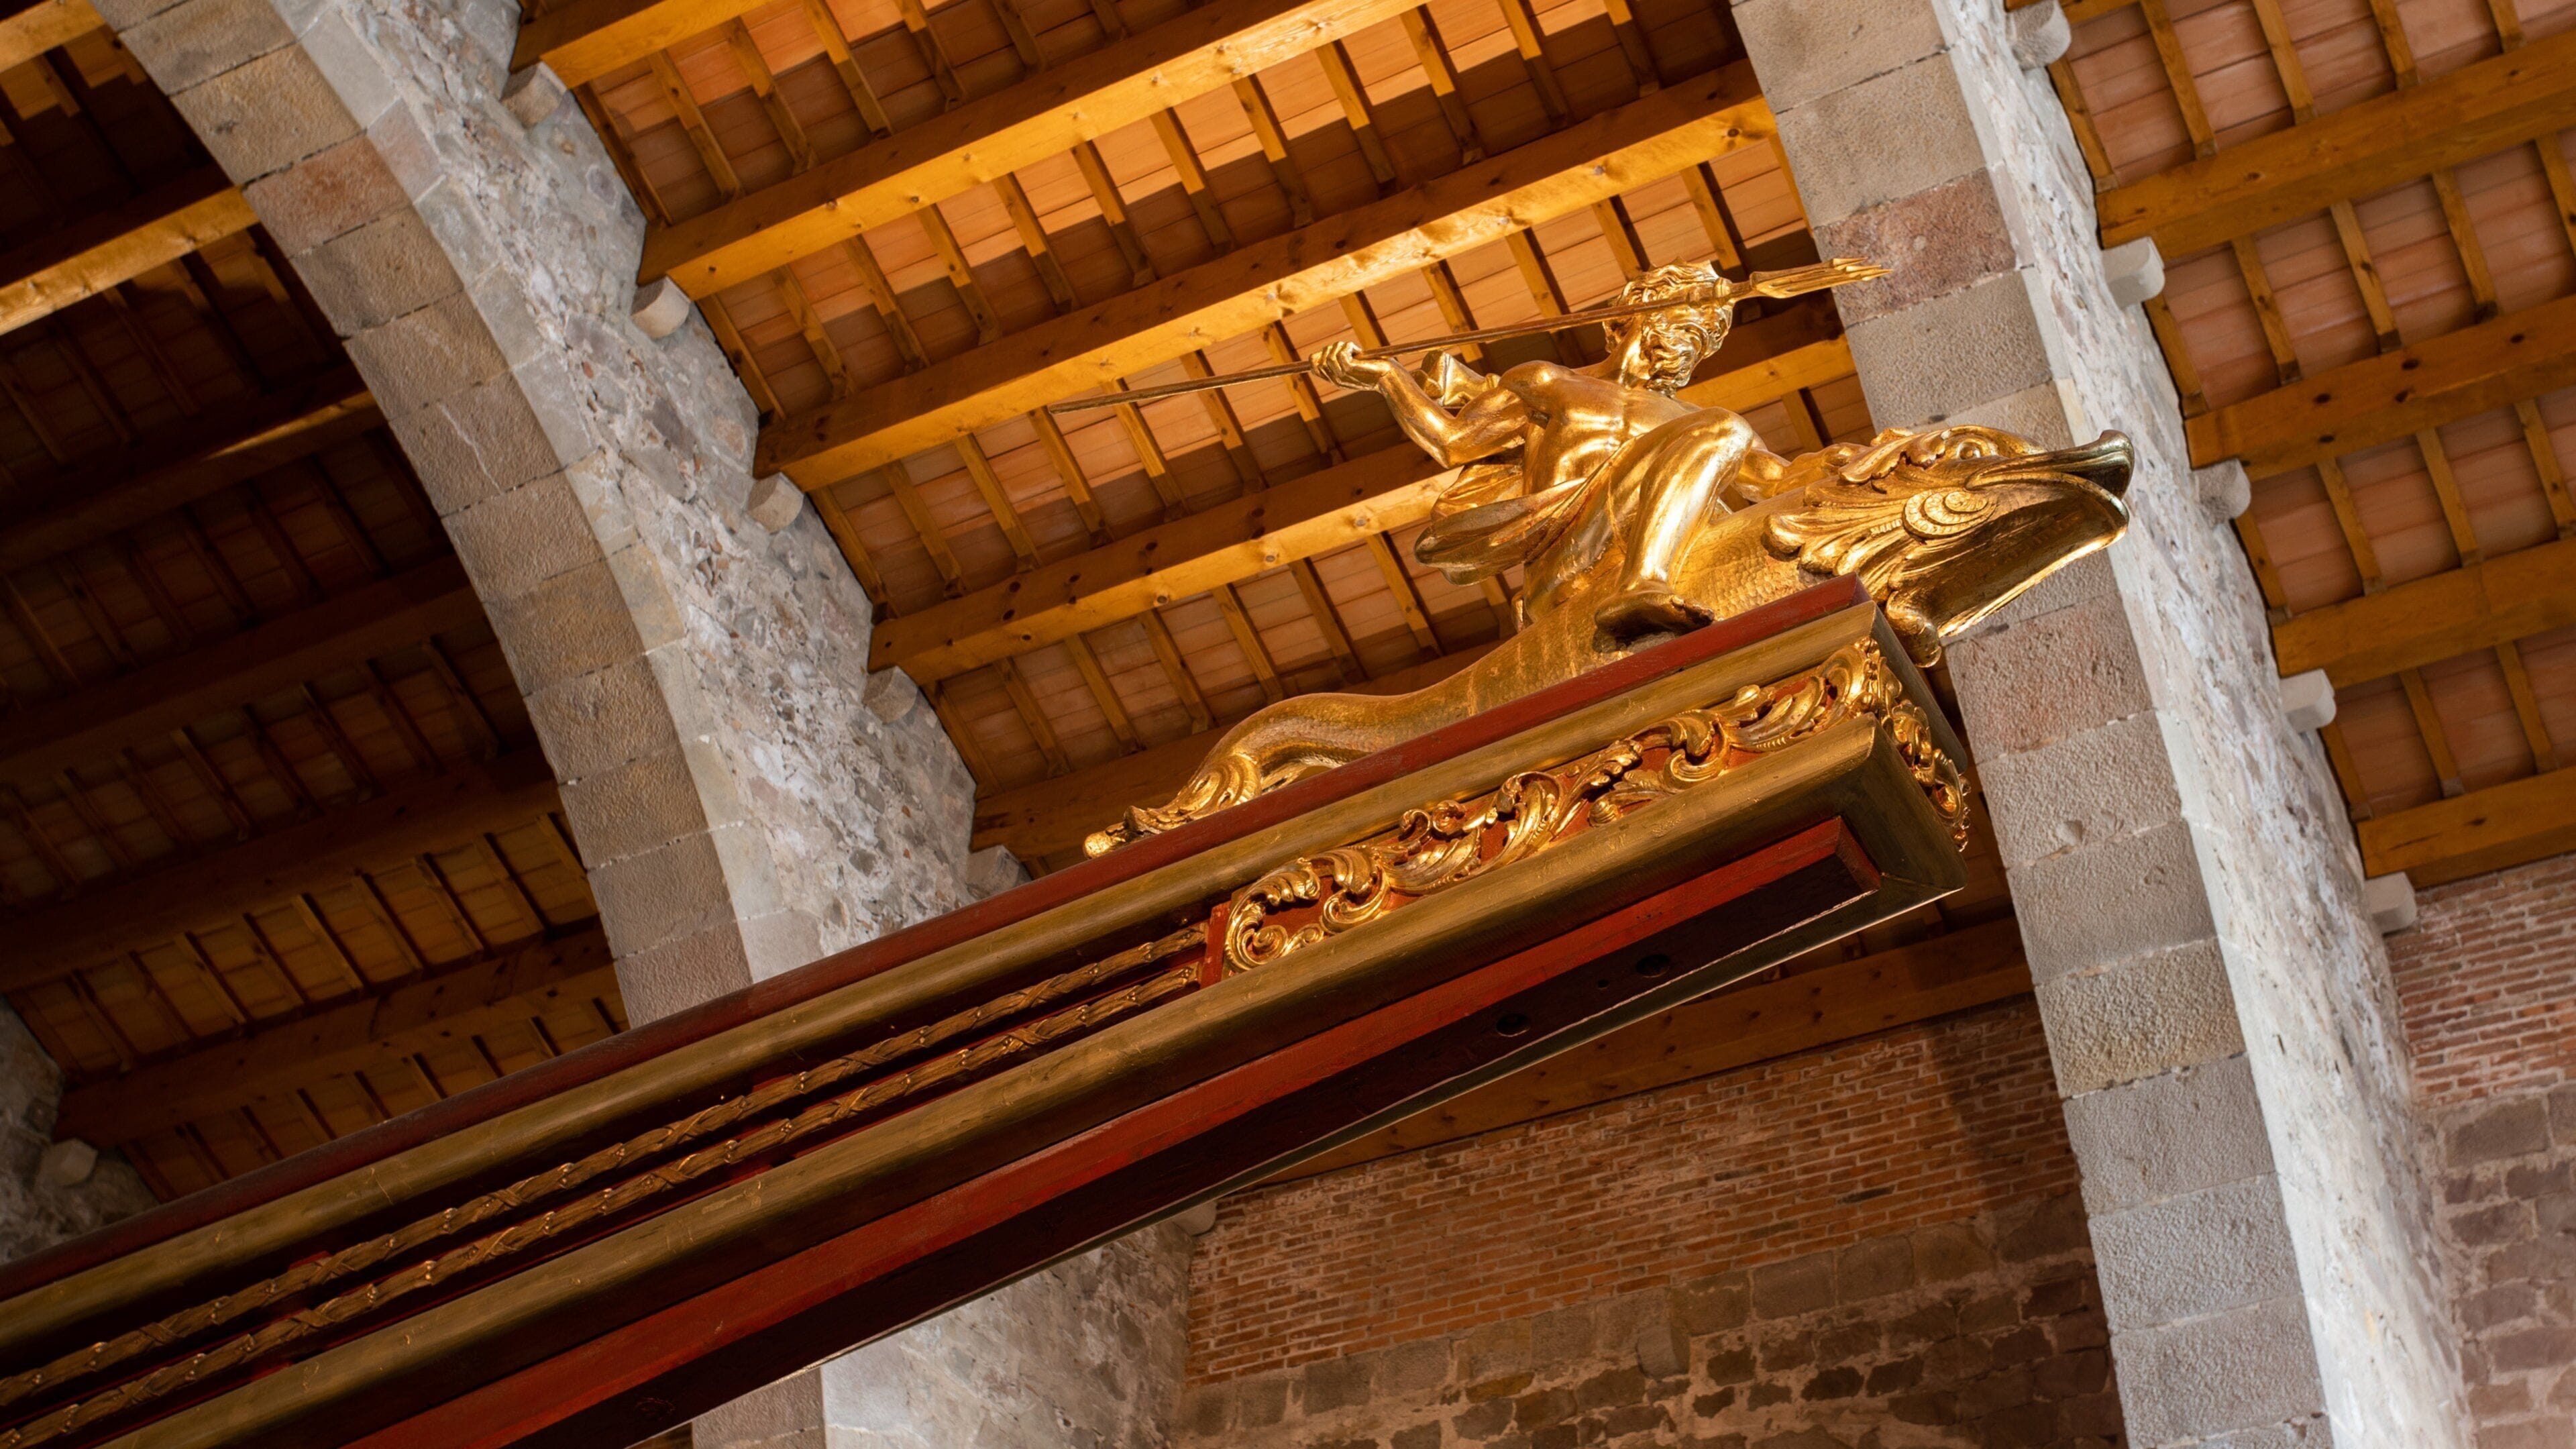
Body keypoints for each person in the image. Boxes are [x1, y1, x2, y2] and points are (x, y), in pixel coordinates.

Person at [1311, 261, 1794, 640]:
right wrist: (1387, 379)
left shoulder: (1692, 425)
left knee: (1723, 430)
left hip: (1674, 564)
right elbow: (1452, 441)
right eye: (1693, 317)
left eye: (1709, 335)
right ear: (1638, 310)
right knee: (1721, 425)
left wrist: (1858, 464)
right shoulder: (1549, 383)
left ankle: (1649, 578)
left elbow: (1779, 480)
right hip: (1568, 563)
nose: (1700, 338)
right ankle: (1641, 582)